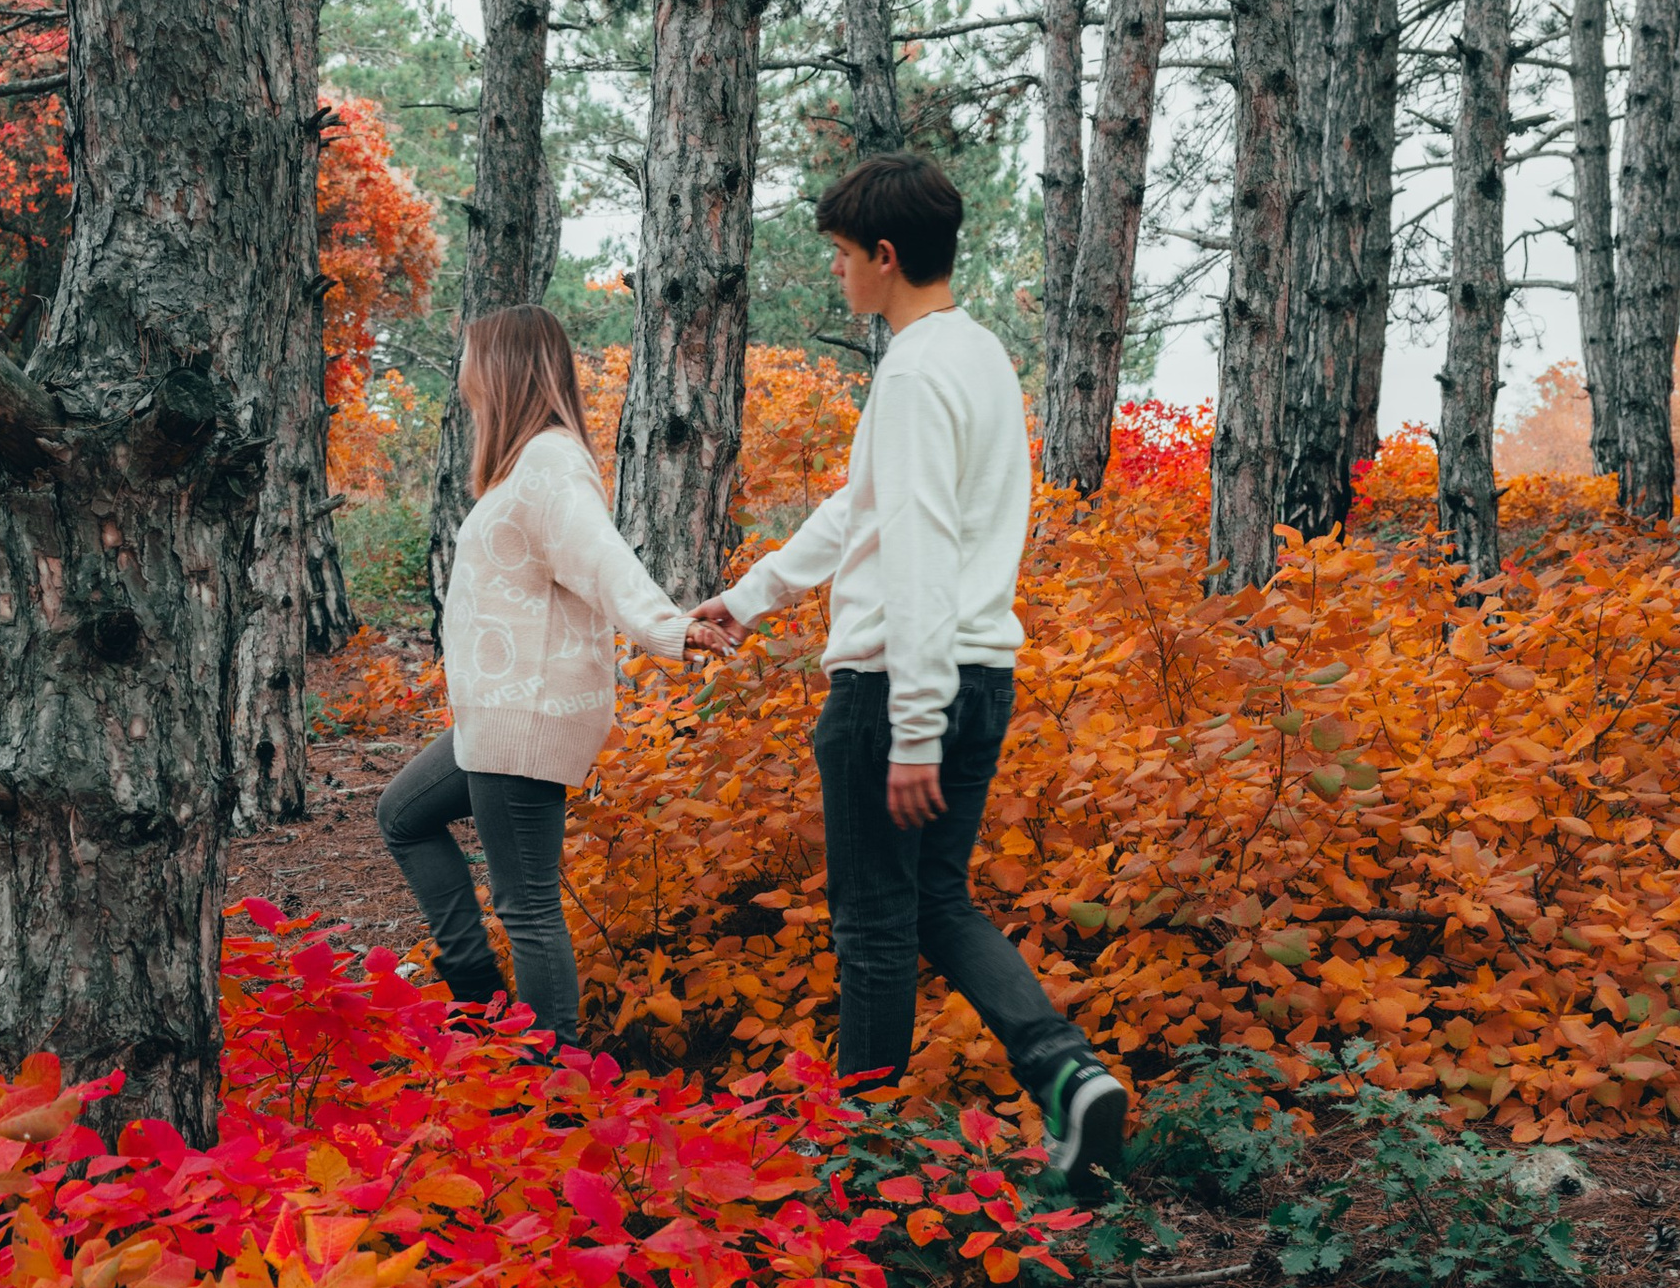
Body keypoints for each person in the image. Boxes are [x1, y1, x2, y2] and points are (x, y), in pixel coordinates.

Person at [690, 150, 1129, 1186]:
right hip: (978, 671)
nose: (836, 275)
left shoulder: (917, 371)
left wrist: (914, 726)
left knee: (874, 927)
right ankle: (1068, 1074)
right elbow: (863, 511)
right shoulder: (972, 357)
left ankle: (862, 1163)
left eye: (842, 257)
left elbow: (920, 545)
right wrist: (749, 599)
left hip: (900, 686)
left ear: (884, 257)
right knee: (936, 901)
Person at [378, 307, 727, 1045]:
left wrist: (667, 625)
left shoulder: (549, 462)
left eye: (472, 358)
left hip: (528, 711)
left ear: (504, 368)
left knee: (527, 903)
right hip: (498, 712)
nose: (465, 375)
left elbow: (601, 557)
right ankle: (480, 1003)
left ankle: (556, 1082)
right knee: (403, 817)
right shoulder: (527, 465)